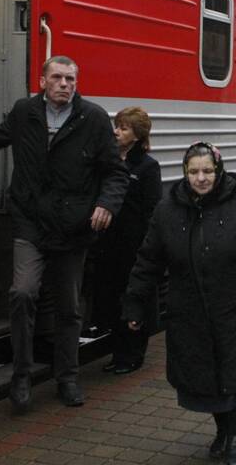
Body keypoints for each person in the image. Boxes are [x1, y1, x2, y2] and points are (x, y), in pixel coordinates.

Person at [0, 56, 128, 410]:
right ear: (43, 80)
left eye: (70, 79)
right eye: (58, 78)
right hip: (30, 223)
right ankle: (21, 377)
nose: (64, 84)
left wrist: (106, 204)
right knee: (22, 293)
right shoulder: (24, 112)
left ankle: (68, 379)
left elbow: (115, 173)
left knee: (67, 308)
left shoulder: (92, 119)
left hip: (72, 229)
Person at [124, 143, 236, 465]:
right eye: (194, 172)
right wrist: (135, 304)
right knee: (208, 380)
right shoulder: (168, 210)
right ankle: (223, 431)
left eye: (207, 171)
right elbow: (148, 260)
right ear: (184, 173)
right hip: (192, 312)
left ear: (219, 171)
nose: (201, 178)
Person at [92, 107, 162, 375]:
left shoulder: (147, 166)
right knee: (110, 297)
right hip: (108, 243)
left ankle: (133, 354)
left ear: (136, 135)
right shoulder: (109, 161)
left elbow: (151, 209)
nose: (116, 131)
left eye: (123, 128)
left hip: (134, 245)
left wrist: (149, 246)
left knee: (133, 297)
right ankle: (117, 352)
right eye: (116, 126)